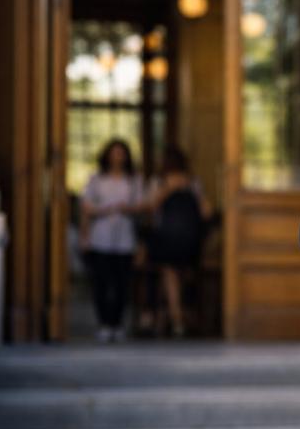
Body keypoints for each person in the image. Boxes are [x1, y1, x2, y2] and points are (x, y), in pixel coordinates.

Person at [142, 145, 212, 338]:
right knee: (168, 271)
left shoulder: (190, 184)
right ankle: (173, 318)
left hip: (180, 240)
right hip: (175, 241)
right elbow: (150, 208)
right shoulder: (162, 183)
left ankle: (172, 319)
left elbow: (206, 211)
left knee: (168, 271)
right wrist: (168, 190)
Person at [79, 138, 144, 343]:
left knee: (122, 284)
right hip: (101, 237)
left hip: (125, 238)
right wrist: (87, 232)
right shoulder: (96, 180)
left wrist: (127, 208)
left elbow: (143, 206)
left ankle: (117, 323)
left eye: (121, 152)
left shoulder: (133, 180)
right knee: (101, 283)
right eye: (114, 152)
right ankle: (104, 323)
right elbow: (86, 208)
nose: (118, 156)